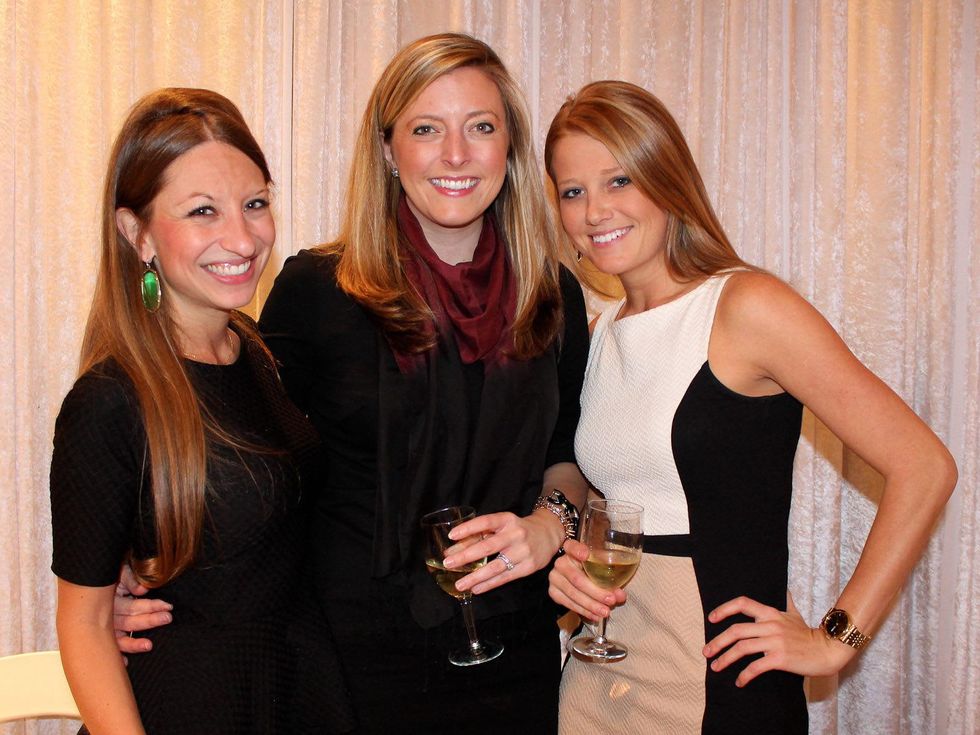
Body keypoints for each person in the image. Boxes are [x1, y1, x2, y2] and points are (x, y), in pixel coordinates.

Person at [112, 35, 590, 733]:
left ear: (510, 147)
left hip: (510, 648)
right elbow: (246, 464)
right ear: (390, 151)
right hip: (350, 658)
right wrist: (142, 566)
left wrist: (553, 524)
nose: (456, 154)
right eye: (427, 129)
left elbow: (567, 456)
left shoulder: (554, 296)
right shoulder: (316, 290)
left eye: (480, 127)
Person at [543, 80, 957, 734]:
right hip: (599, 677)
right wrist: (571, 563)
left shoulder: (747, 308)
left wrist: (834, 638)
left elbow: (924, 465)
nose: (596, 210)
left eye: (618, 180)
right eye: (573, 191)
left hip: (716, 686)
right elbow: (615, 500)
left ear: (667, 178)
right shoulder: (601, 332)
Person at [50, 88, 354, 734]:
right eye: (202, 212)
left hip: (291, 694)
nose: (241, 237)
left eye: (254, 204)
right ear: (138, 234)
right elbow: (83, 625)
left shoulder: (255, 353)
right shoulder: (110, 400)